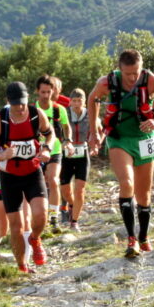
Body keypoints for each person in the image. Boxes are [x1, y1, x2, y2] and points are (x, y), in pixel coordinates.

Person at [87, 49, 154, 258]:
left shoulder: (150, 80)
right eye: (128, 73)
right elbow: (92, 99)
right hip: (119, 138)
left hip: (145, 138)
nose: (132, 78)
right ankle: (131, 239)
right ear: (120, 69)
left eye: (136, 73)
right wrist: (94, 130)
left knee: (144, 193)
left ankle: (144, 237)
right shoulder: (107, 82)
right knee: (127, 183)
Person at [0, 81, 55, 274]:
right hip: (9, 176)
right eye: (15, 104)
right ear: (8, 102)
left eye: (22, 102)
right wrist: (2, 156)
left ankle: (36, 239)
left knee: (41, 214)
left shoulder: (35, 114)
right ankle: (22, 265)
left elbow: (50, 134)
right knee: (16, 226)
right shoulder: (0, 120)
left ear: (27, 99)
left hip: (32, 171)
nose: (20, 107)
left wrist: (47, 149)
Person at [35, 75, 73, 232]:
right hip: (36, 152)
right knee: (38, 186)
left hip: (55, 150)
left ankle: (54, 217)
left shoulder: (59, 109)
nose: (45, 96)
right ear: (37, 91)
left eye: (49, 92)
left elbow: (66, 126)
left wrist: (68, 140)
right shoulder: (31, 109)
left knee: (54, 180)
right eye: (43, 92)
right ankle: (37, 218)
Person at [60, 88, 91, 232]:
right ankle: (72, 205)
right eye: (74, 101)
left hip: (83, 155)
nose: (77, 104)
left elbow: (100, 130)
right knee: (66, 191)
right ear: (70, 102)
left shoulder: (90, 115)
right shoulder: (64, 114)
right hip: (66, 155)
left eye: (80, 101)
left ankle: (74, 222)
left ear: (84, 102)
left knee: (79, 190)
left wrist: (95, 144)